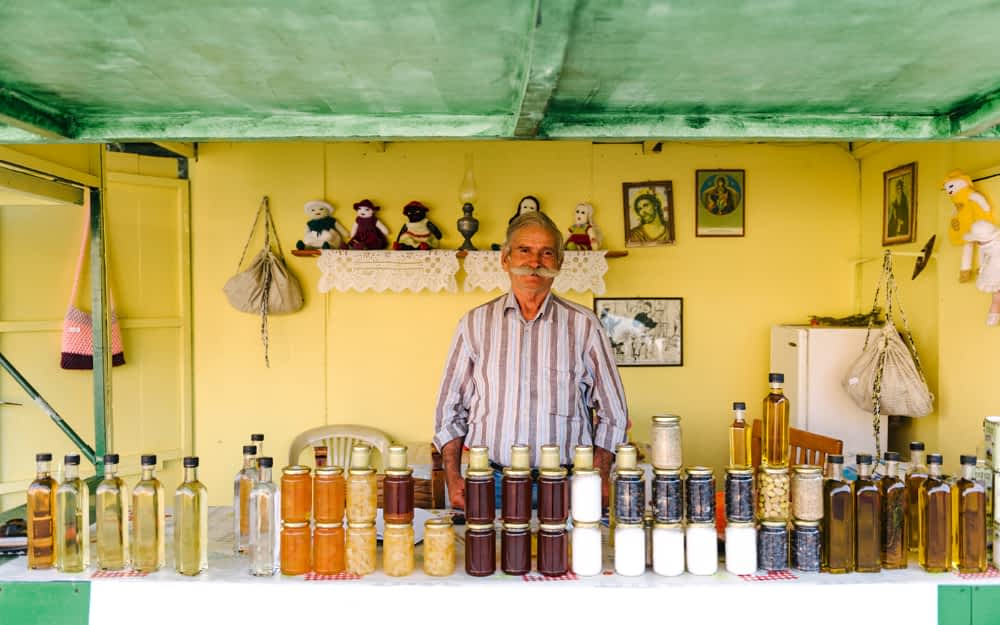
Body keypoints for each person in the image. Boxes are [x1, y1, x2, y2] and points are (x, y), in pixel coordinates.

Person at [434, 211, 628, 511]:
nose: (535, 262)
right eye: (524, 250)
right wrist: (453, 474)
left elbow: (613, 412)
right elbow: (449, 409)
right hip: (491, 481)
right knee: (493, 557)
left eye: (546, 253)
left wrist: (601, 477)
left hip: (568, 483)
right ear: (506, 258)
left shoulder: (584, 326)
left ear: (559, 263)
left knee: (566, 558)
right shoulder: (474, 324)